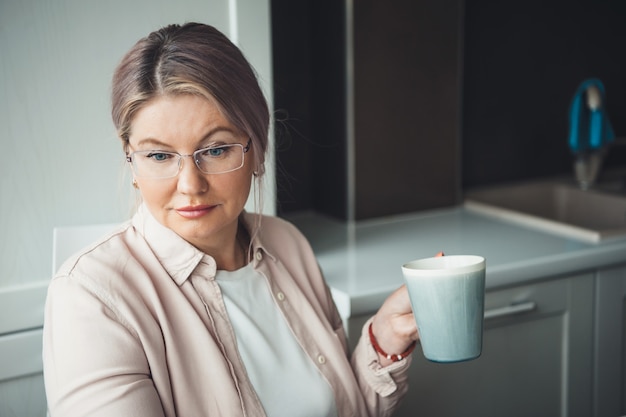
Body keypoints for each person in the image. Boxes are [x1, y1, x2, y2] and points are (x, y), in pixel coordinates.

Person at [42, 22, 418, 417]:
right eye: (159, 156)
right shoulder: (89, 297)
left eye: (216, 149)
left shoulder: (287, 244)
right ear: (131, 161)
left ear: (256, 150)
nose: (190, 184)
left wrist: (384, 340)